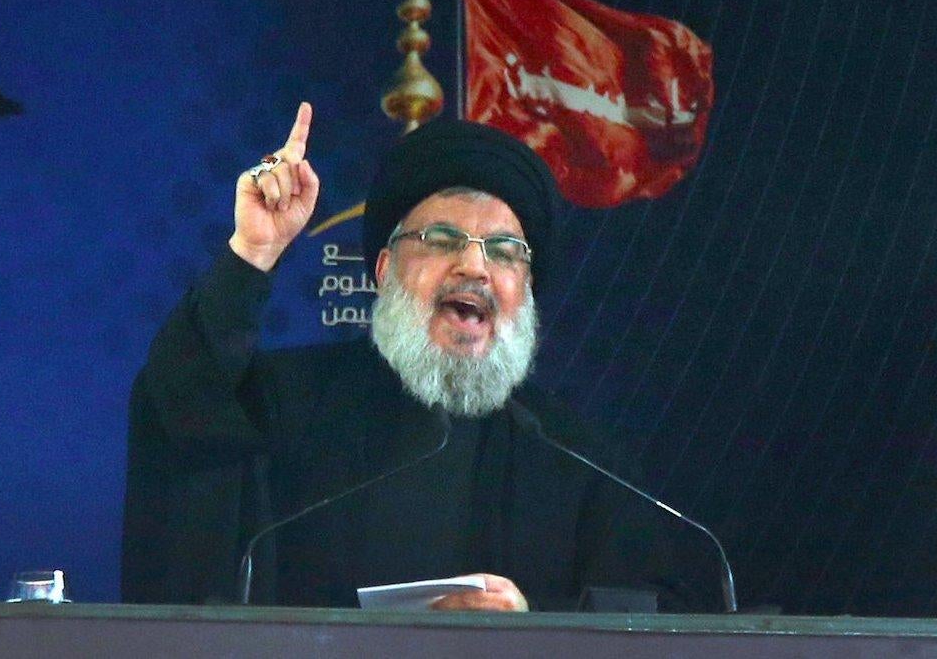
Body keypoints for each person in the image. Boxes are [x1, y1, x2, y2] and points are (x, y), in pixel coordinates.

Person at [122, 103, 713, 611]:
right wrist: (252, 252)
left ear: (526, 291)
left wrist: (538, 623)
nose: (475, 267)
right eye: (441, 240)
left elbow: (656, 618)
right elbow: (180, 404)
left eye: (505, 251)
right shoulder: (285, 403)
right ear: (383, 271)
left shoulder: (576, 455)